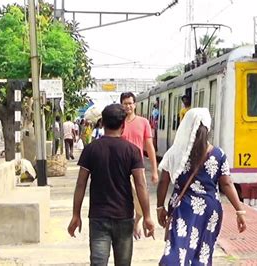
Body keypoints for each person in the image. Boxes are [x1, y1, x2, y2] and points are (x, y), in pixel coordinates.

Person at [67, 104, 155, 265]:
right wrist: (147, 216)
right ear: (123, 125)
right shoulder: (132, 151)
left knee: (98, 262)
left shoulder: (91, 149)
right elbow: (141, 184)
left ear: (102, 124)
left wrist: (75, 214)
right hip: (124, 216)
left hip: (98, 217)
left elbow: (81, 184)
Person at [157, 108, 247, 265]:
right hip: (210, 209)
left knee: (177, 248)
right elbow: (226, 183)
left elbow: (163, 181)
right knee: (203, 252)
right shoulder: (218, 154)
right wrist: (239, 211)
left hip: (182, 206)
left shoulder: (175, 152)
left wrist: (160, 207)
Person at [120, 92, 159, 239]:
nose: (128, 106)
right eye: (125, 103)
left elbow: (149, 148)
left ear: (135, 104)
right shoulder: (118, 122)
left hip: (138, 168)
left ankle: (137, 222)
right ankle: (129, 225)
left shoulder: (143, 122)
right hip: (121, 168)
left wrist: (154, 171)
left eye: (130, 103)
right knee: (125, 200)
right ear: (121, 105)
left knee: (142, 199)